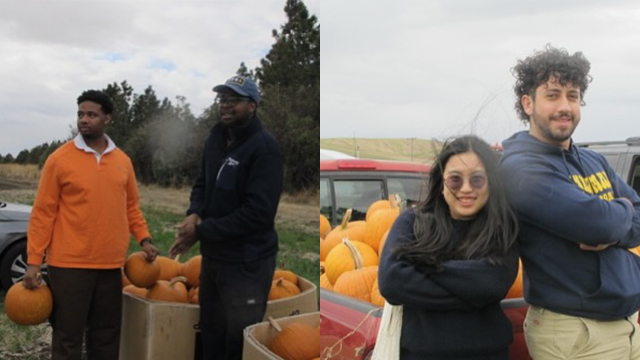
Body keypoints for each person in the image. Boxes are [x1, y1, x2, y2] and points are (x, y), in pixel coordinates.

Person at [501, 45, 640, 359]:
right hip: (577, 332)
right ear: (528, 104)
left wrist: (613, 228)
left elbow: (625, 221)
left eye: (573, 96)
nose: (565, 106)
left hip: (626, 324)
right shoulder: (521, 169)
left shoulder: (594, 161)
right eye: (552, 95)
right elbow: (597, 223)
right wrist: (620, 213)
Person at [23, 89, 158, 360]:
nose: (84, 120)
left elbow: (131, 206)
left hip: (110, 265)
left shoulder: (122, 161)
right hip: (69, 265)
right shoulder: (60, 160)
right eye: (81, 114)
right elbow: (43, 214)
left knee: (106, 335)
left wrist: (144, 238)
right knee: (68, 336)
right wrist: (34, 260)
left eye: (91, 114)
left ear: (107, 118)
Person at [169, 75, 284, 360]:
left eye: (234, 100)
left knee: (237, 341)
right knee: (211, 335)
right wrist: (195, 213)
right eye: (223, 100)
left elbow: (258, 214)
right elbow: (202, 183)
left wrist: (202, 231)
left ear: (252, 106)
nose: (226, 106)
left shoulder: (265, 149)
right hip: (215, 259)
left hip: (247, 263)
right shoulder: (216, 138)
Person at [378, 135, 519, 360]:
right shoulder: (411, 222)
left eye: (477, 180)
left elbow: (491, 284)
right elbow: (392, 282)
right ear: (441, 181)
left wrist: (423, 262)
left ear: (490, 182)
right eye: (455, 179)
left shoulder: (501, 228)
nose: (466, 189)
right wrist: (471, 292)